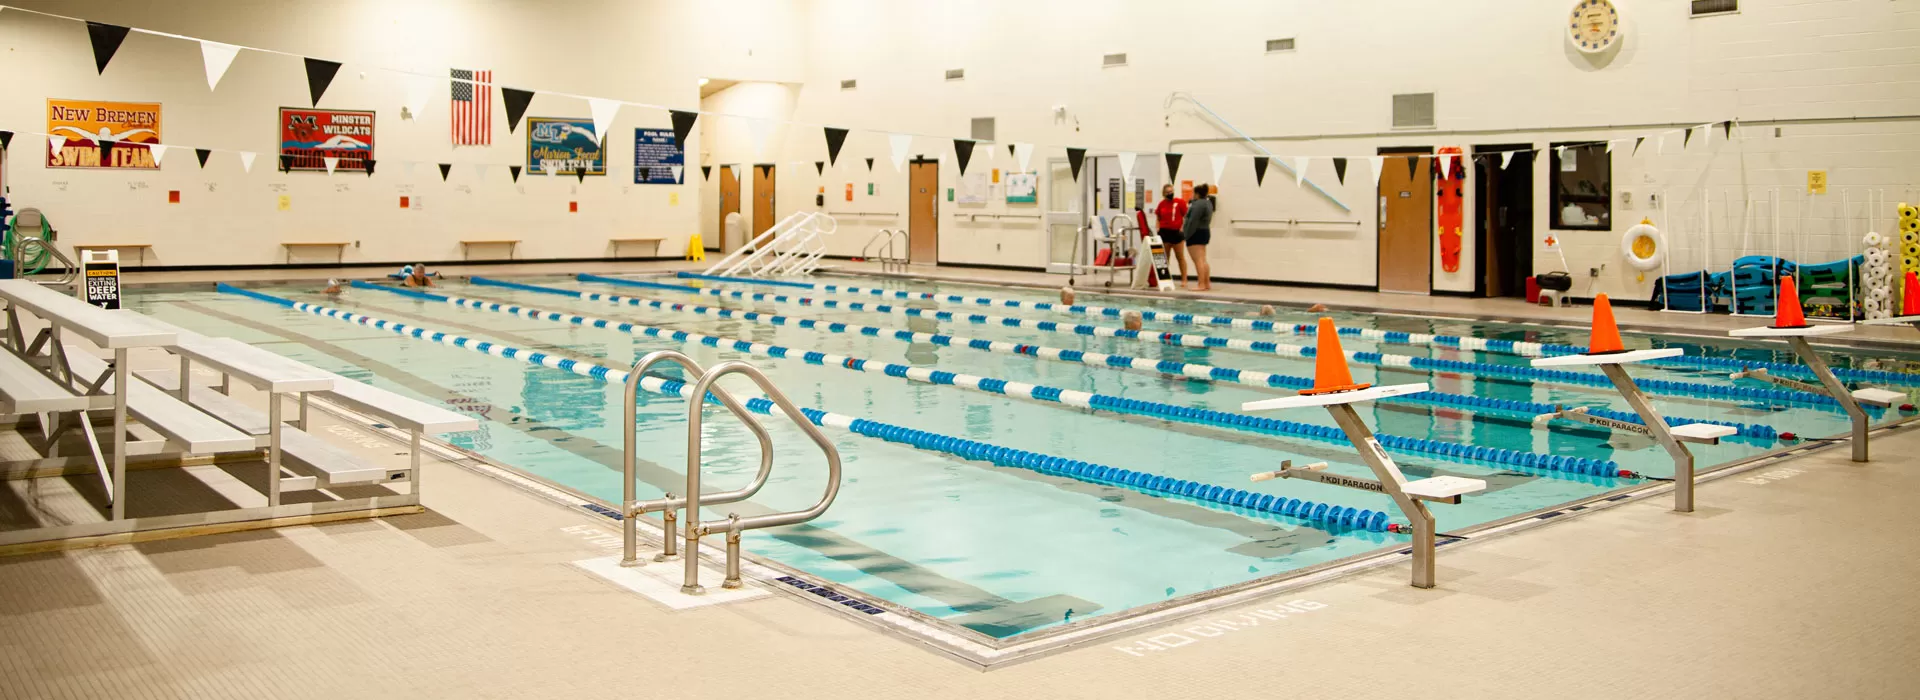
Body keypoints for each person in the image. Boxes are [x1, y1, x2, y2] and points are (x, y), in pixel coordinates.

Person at [1153, 183, 1192, 289]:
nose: (1170, 194)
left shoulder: (1179, 202)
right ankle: (1165, 279)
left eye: (1171, 191)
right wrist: (1157, 227)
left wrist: (1182, 228)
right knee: (1165, 258)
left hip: (1176, 232)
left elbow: (1186, 216)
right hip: (1165, 232)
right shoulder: (1162, 204)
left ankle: (1184, 279)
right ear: (1164, 194)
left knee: (1180, 257)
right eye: (1168, 192)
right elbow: (1158, 217)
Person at [1183, 184, 1216, 291]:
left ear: (1197, 193)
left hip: (1195, 232)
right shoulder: (1208, 202)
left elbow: (1192, 221)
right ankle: (1206, 283)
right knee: (1202, 259)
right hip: (1204, 231)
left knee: (1198, 260)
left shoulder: (1197, 205)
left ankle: (1201, 284)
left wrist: (1186, 234)